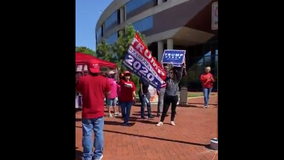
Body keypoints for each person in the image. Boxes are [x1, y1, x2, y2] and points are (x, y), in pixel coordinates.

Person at [76, 60, 111, 160]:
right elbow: (108, 93)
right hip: (99, 112)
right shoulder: (104, 80)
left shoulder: (83, 79)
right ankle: (98, 155)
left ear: (88, 68)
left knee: (87, 134)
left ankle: (87, 156)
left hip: (87, 112)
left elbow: (78, 90)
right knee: (99, 133)